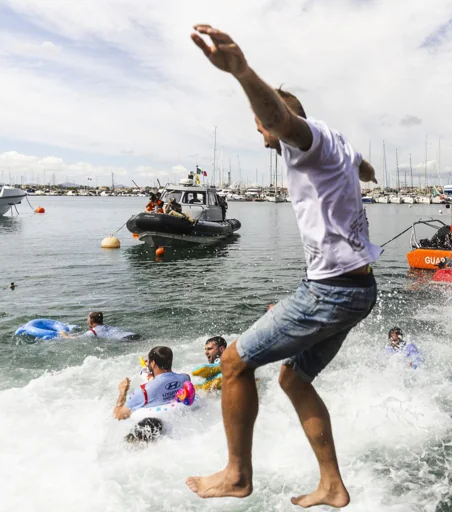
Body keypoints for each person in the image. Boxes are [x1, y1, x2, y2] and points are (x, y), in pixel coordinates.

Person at [186, 25, 380, 507]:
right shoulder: (338, 141)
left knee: (233, 362)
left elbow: (282, 120)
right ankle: (333, 485)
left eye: (260, 128)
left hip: (331, 290)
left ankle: (236, 474)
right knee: (293, 378)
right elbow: (364, 167)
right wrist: (364, 174)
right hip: (359, 290)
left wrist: (241, 72)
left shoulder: (304, 140)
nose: (263, 138)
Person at [112, 346, 194, 441]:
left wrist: (122, 391)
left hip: (151, 432)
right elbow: (166, 382)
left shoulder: (143, 391)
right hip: (178, 426)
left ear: (153, 363)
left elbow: (118, 416)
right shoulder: (185, 378)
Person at [61, 312, 139, 340]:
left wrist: (63, 334)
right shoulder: (107, 327)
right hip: (131, 334)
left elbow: (73, 339)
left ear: (91, 321)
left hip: (124, 340)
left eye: (87, 319)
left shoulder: (93, 332)